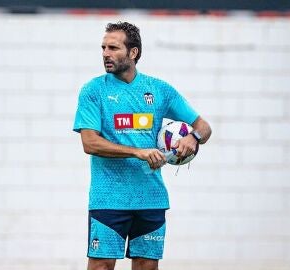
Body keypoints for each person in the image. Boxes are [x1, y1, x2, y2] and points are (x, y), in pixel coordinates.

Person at [73, 21, 212, 270]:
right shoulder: (93, 91)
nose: (105, 53)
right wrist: (137, 151)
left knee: (146, 267)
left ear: (133, 52)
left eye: (113, 47)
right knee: (100, 266)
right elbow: (90, 142)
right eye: (103, 47)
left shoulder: (159, 91)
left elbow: (204, 127)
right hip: (108, 199)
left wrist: (192, 139)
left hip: (151, 198)